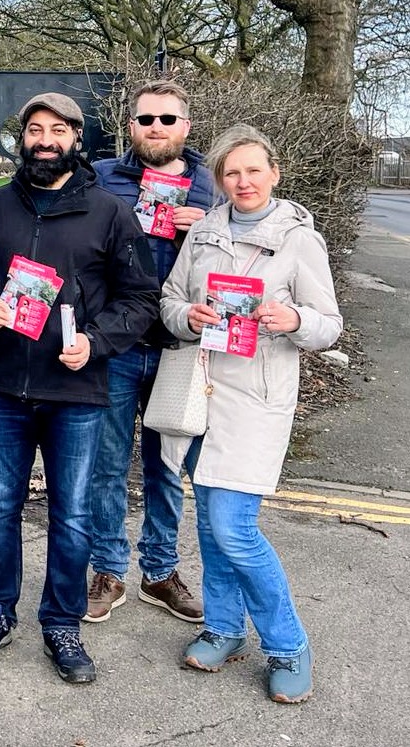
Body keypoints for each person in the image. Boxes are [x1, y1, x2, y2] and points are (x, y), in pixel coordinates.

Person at [0, 91, 159, 684]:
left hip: (77, 391)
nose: (45, 140)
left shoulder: (111, 214)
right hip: (1, 391)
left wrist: (97, 341)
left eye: (58, 130)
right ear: (22, 140)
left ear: (77, 139)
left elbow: (140, 298)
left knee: (72, 517)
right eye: (35, 130)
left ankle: (63, 622)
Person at [160, 124, 341, 705]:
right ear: (219, 180)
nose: (243, 181)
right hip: (200, 394)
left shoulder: (298, 239)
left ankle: (288, 645)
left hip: (256, 401)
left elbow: (327, 323)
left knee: (234, 531)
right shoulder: (204, 232)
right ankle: (223, 627)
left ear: (274, 173)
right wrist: (189, 315)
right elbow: (168, 300)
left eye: (253, 170)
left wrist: (294, 322)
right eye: (231, 172)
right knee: (212, 526)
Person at [86, 80, 216, 624]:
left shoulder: (214, 185)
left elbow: (244, 257)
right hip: (116, 343)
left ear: (185, 127)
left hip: (180, 349)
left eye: (167, 119)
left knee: (168, 469)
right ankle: (108, 571)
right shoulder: (102, 177)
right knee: (107, 466)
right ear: (130, 126)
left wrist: (205, 226)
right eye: (146, 119)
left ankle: (160, 573)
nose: (156, 128)